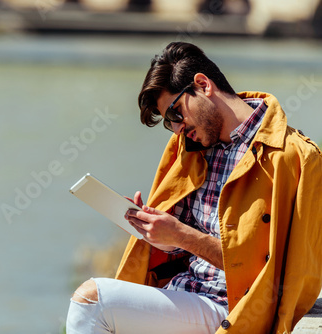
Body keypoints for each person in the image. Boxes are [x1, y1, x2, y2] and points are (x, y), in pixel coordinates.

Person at [66, 41, 322, 333]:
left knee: (91, 301)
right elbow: (180, 245)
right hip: (182, 294)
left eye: (176, 113)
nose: (177, 129)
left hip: (234, 308)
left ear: (203, 85)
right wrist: (155, 232)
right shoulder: (188, 148)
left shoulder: (294, 157)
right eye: (169, 123)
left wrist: (183, 236)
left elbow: (282, 273)